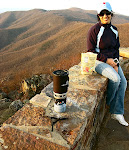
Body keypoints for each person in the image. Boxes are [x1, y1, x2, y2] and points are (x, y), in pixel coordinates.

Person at [87, 2, 128, 126]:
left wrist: (115, 63)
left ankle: (117, 113)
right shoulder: (94, 30)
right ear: (98, 15)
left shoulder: (114, 30)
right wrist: (107, 60)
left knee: (124, 82)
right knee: (115, 79)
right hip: (98, 61)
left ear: (111, 14)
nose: (105, 16)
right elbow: (90, 51)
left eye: (107, 13)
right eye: (102, 13)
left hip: (112, 62)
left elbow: (117, 49)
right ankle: (109, 103)